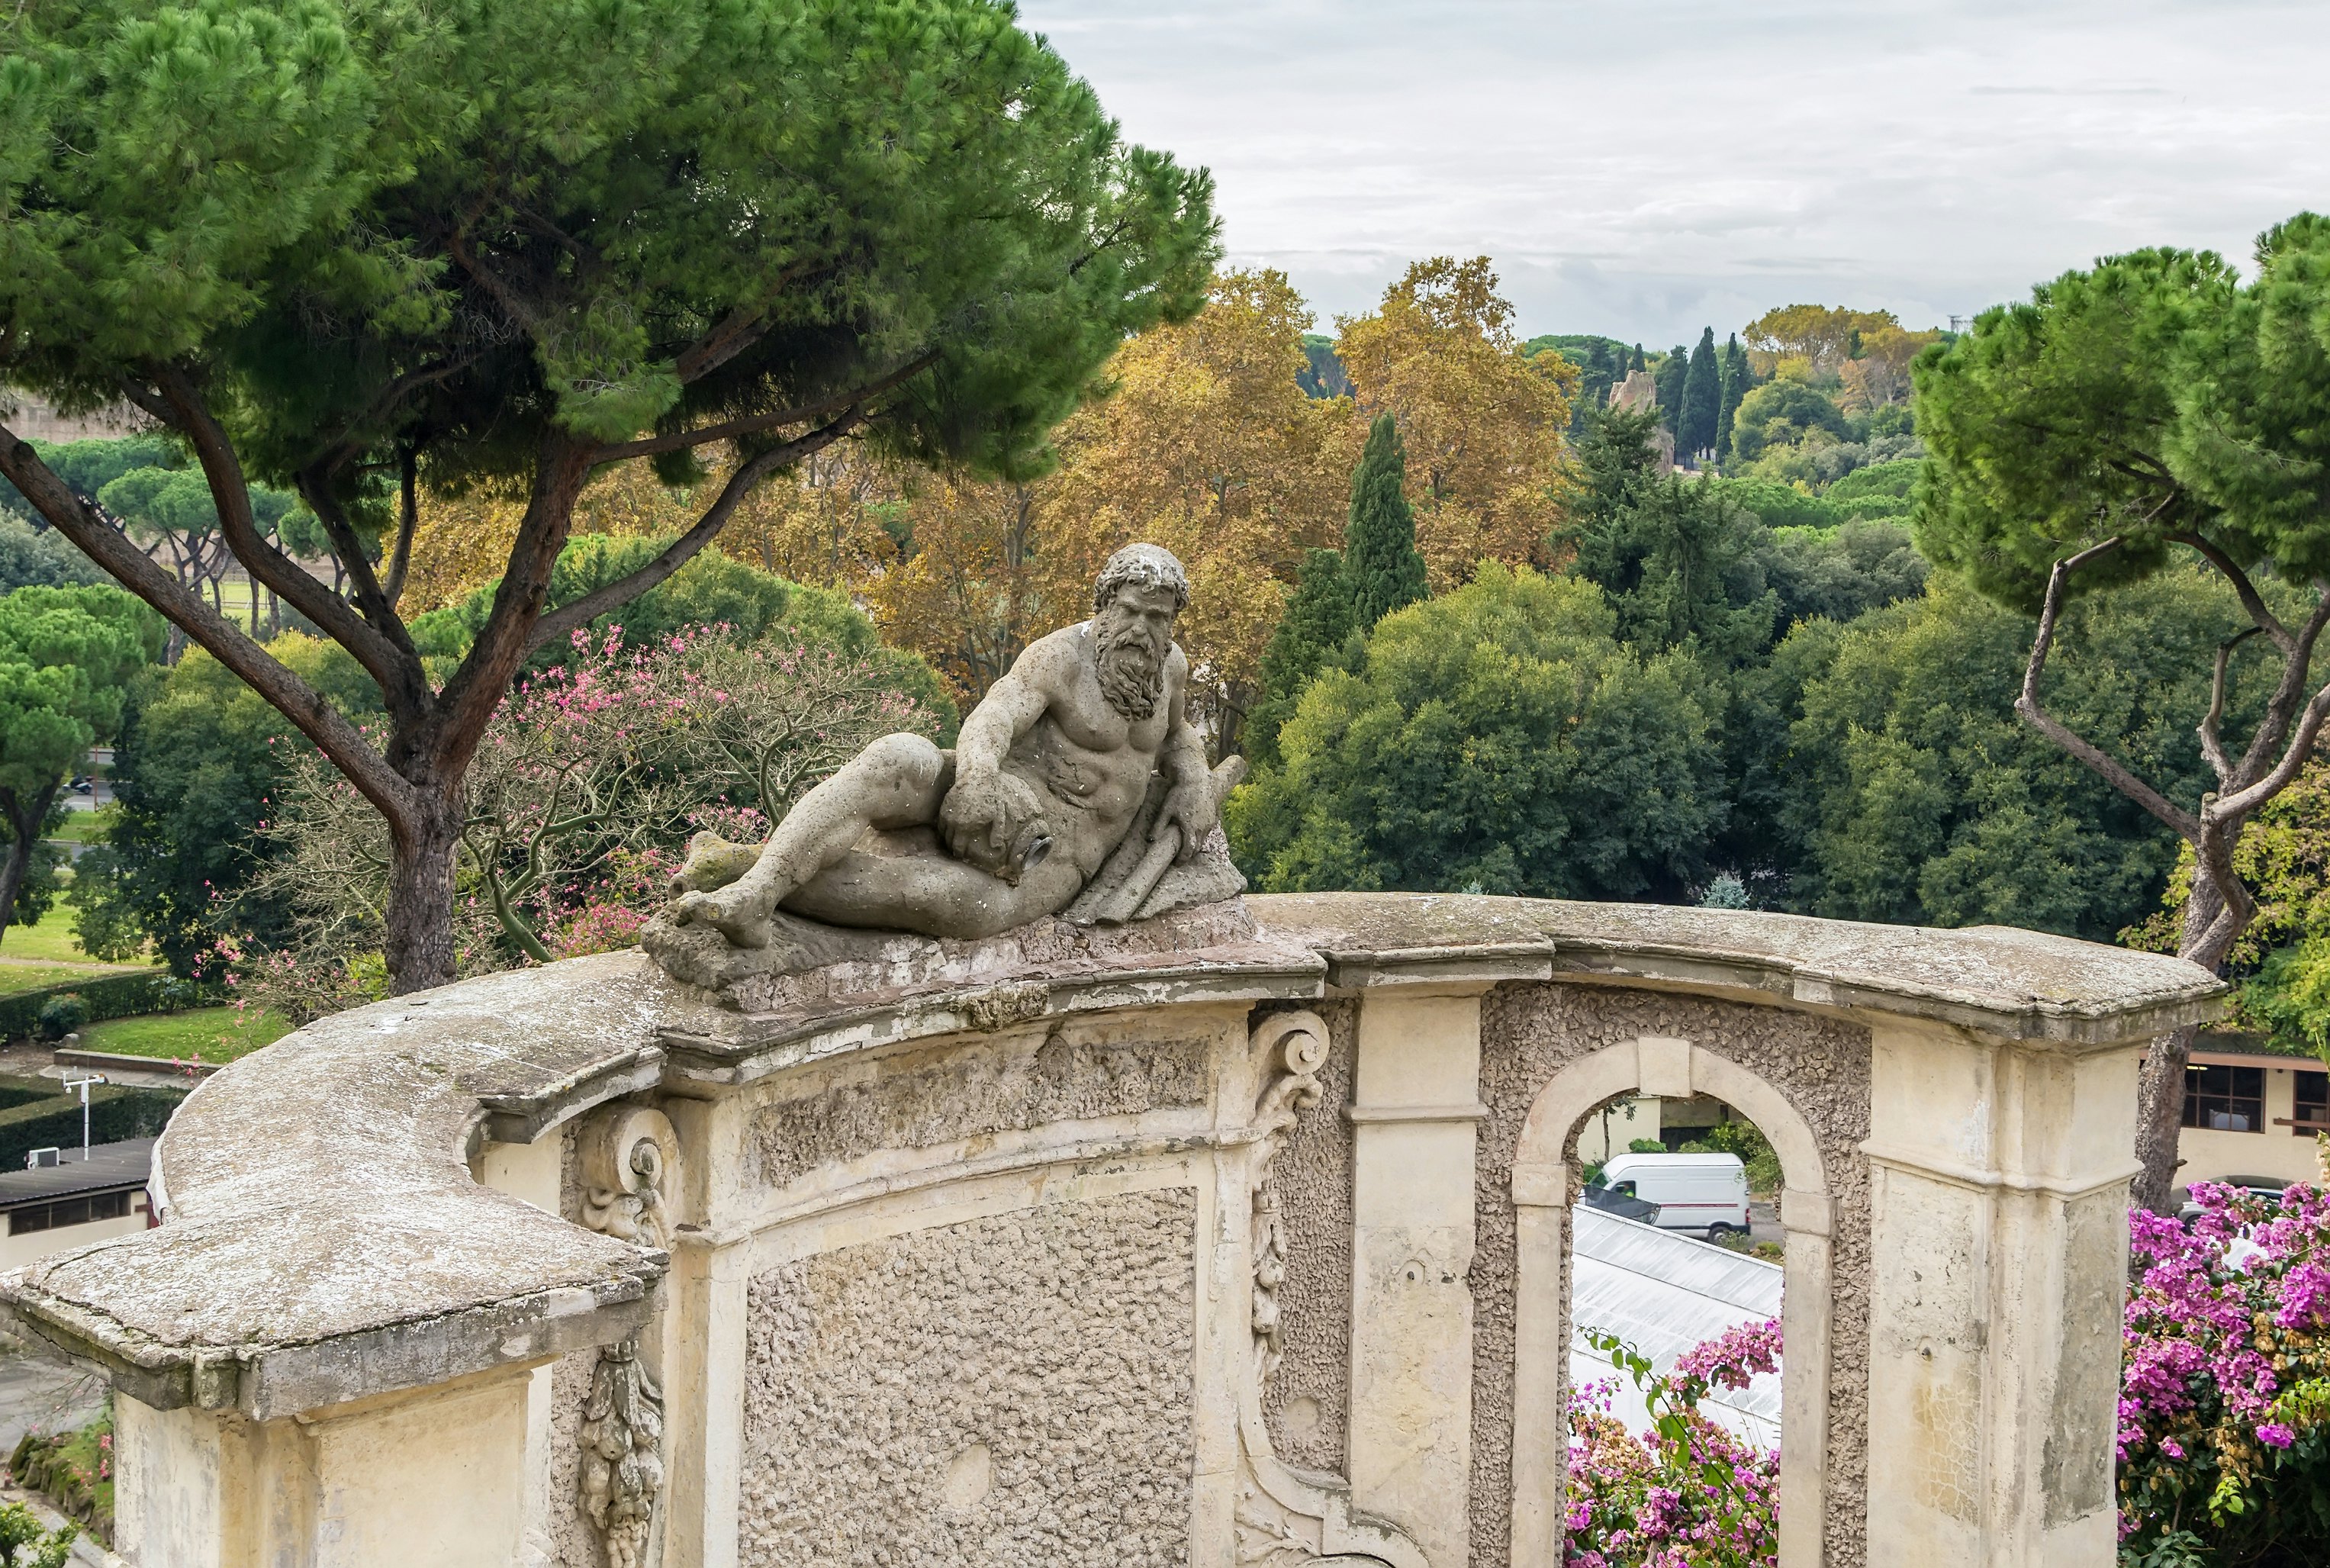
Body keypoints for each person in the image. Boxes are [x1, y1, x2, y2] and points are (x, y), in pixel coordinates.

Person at [670, 543, 1220, 945]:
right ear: (1104, 605)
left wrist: (1195, 778)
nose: (1141, 628)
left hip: (1061, 857)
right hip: (1000, 790)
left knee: (955, 902)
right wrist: (979, 775)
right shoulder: (1061, 658)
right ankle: (757, 892)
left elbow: (1175, 734)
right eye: (1129, 610)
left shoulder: (1170, 670)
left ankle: (737, 865)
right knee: (898, 758)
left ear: (1172, 623)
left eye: (1157, 617)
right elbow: (996, 713)